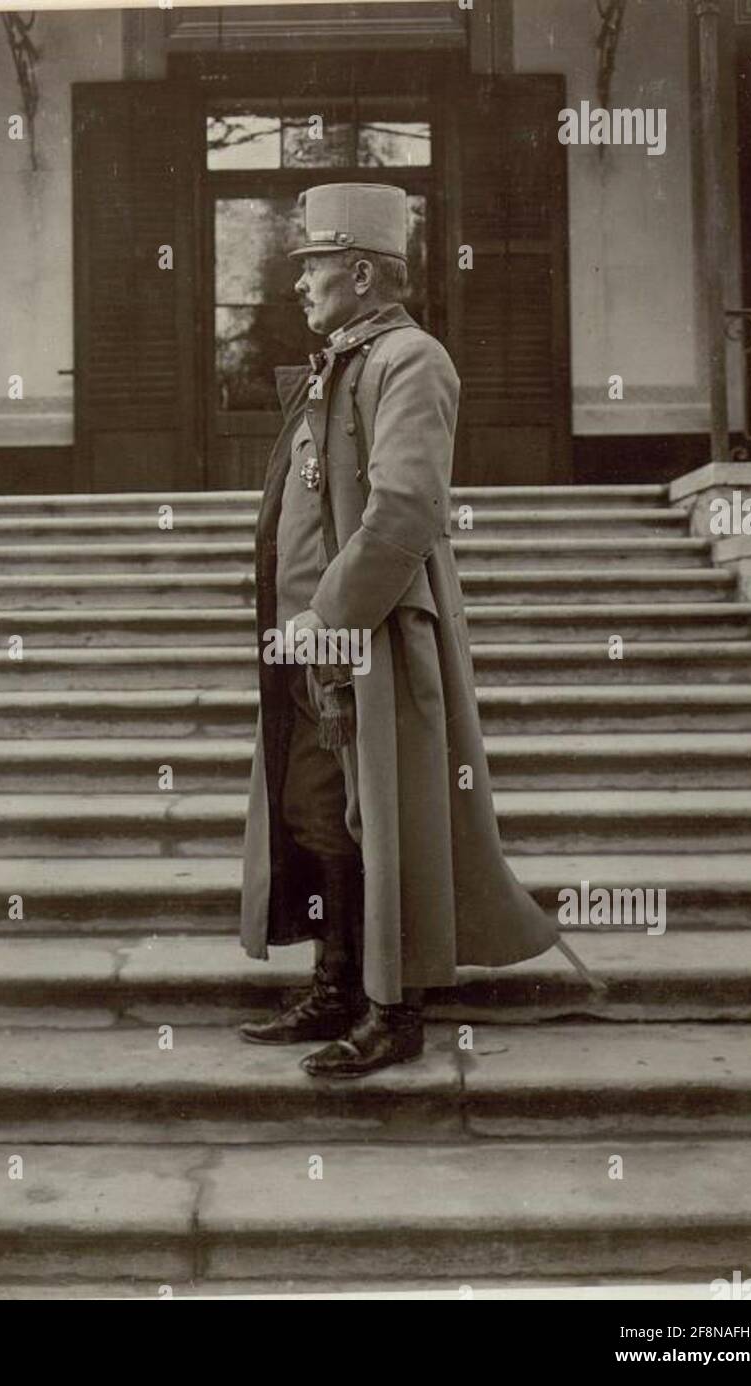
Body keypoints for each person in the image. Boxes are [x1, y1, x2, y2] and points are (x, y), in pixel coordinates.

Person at [238, 181, 599, 1079]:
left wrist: (327, 620)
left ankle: (391, 1011)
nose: (300, 285)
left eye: (313, 267)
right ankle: (334, 984)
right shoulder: (342, 357)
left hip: (373, 636)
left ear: (361, 272)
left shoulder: (413, 360)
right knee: (319, 812)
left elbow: (402, 513)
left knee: (381, 815)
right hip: (310, 641)